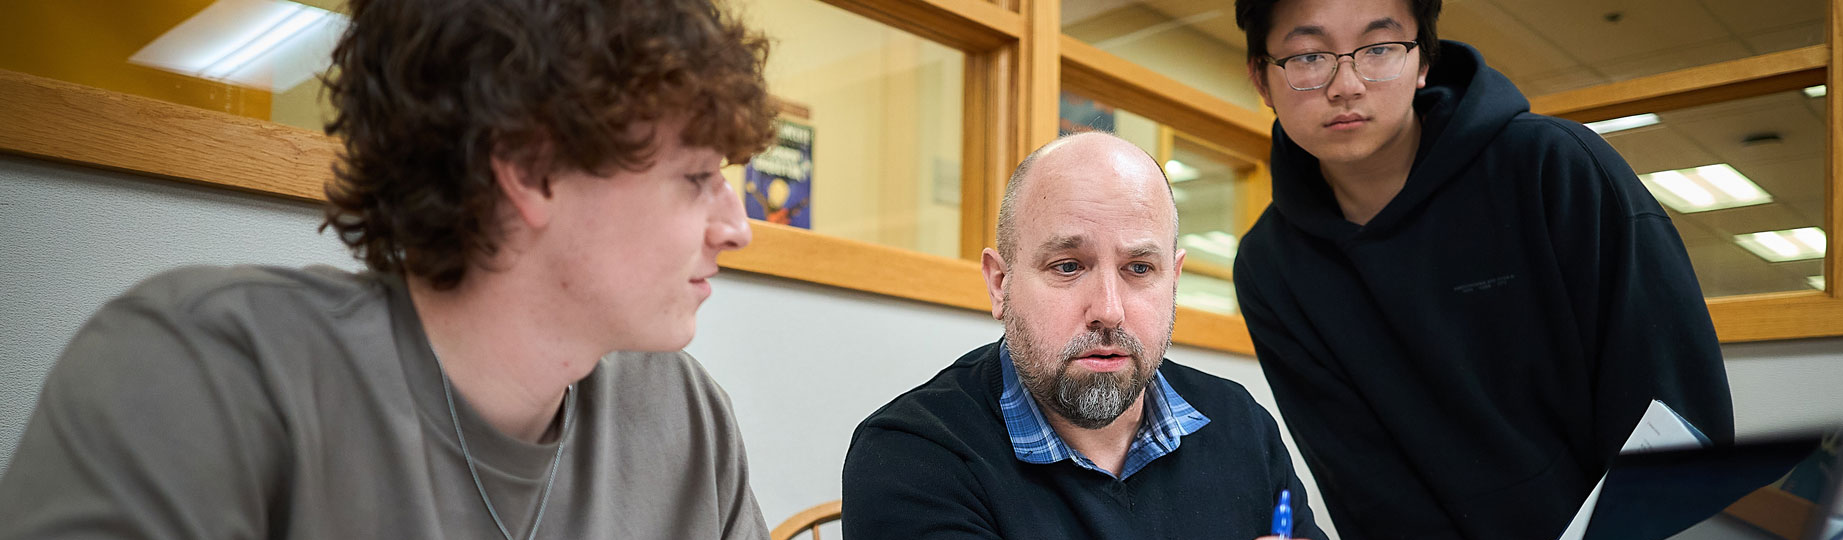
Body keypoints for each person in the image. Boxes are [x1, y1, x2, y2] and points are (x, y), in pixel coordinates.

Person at [0, 0, 776, 538]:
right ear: (533, 170)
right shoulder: (201, 375)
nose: (737, 228)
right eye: (697, 177)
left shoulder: (684, 420)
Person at [1229, 0, 1737, 538]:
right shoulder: (1271, 266)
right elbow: (1364, 483)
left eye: (1378, 49)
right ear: (1261, 79)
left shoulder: (1555, 169)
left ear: (1423, 59)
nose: (1346, 84)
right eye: (1308, 57)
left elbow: (1675, 409)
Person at [841, 132, 1326, 540]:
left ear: (1173, 281)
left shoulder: (1240, 423)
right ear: (999, 283)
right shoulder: (913, 454)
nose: (1109, 312)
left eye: (1139, 268)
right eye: (1068, 266)